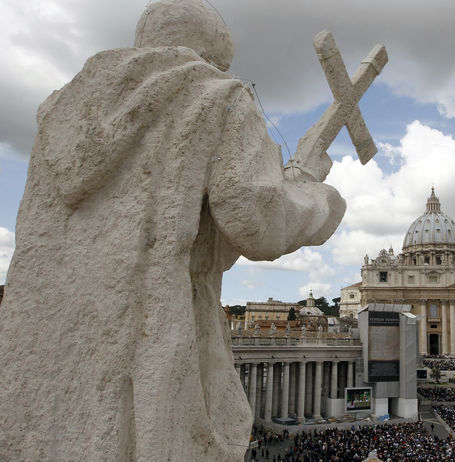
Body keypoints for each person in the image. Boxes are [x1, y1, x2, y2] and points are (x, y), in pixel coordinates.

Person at [0, 1, 346, 461]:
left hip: (46, 341)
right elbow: (255, 221)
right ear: (216, 52)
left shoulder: (58, 113)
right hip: (153, 324)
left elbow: (205, 232)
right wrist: (314, 194)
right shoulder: (217, 95)